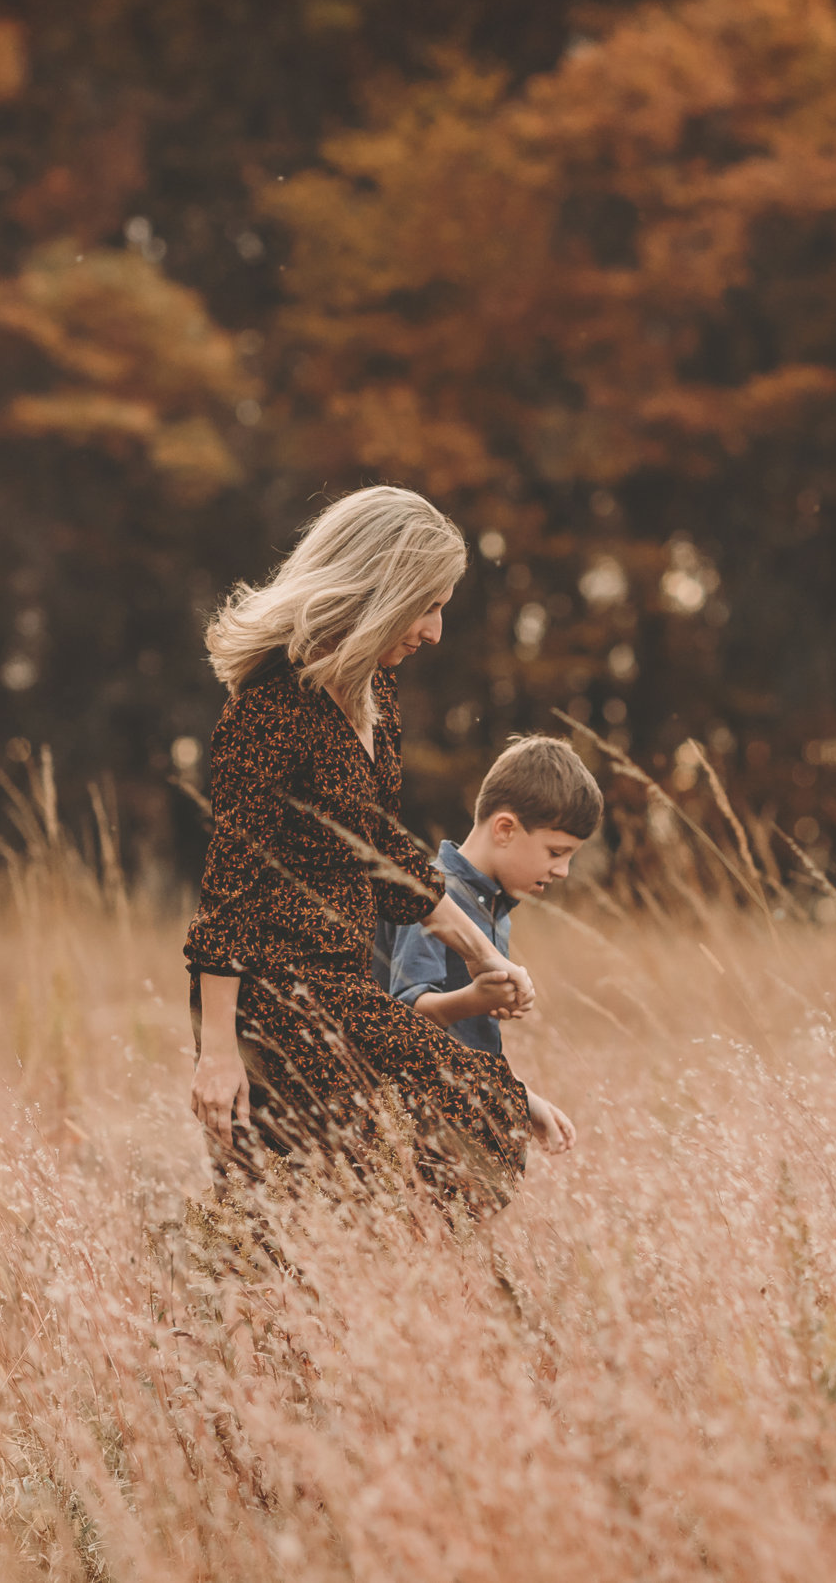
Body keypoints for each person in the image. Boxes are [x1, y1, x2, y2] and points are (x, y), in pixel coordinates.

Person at [183, 486, 559, 1220]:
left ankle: (397, 1310)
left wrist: (484, 956)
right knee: (305, 1209)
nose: (436, 632)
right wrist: (216, 1050)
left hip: (346, 987)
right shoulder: (269, 710)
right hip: (279, 998)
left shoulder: (368, 696)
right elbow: (227, 890)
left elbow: (380, 852)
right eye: (428, 606)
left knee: (447, 1144)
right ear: (378, 592)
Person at [378, 736, 599, 1154]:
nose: (564, 871)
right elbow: (403, 1016)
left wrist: (521, 1099)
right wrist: (475, 999)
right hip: (416, 1131)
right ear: (505, 829)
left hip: (463, 1119)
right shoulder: (433, 896)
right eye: (556, 851)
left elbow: (469, 1042)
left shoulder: (495, 909)